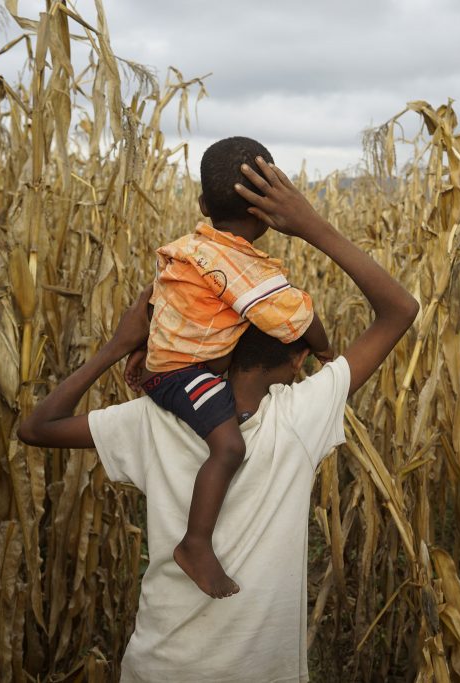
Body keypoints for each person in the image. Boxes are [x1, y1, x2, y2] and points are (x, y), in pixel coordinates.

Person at [18, 157, 419, 682]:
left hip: (160, 667)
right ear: (297, 359)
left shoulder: (153, 419)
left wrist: (115, 349)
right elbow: (399, 310)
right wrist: (310, 225)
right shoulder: (301, 416)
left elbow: (36, 428)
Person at [129, 136, 332, 599]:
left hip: (164, 367)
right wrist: (325, 351)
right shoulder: (242, 268)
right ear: (265, 212)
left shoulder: (188, 249)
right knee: (229, 448)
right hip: (185, 376)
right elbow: (294, 315)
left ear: (202, 204)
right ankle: (195, 544)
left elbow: (161, 306)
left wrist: (141, 351)